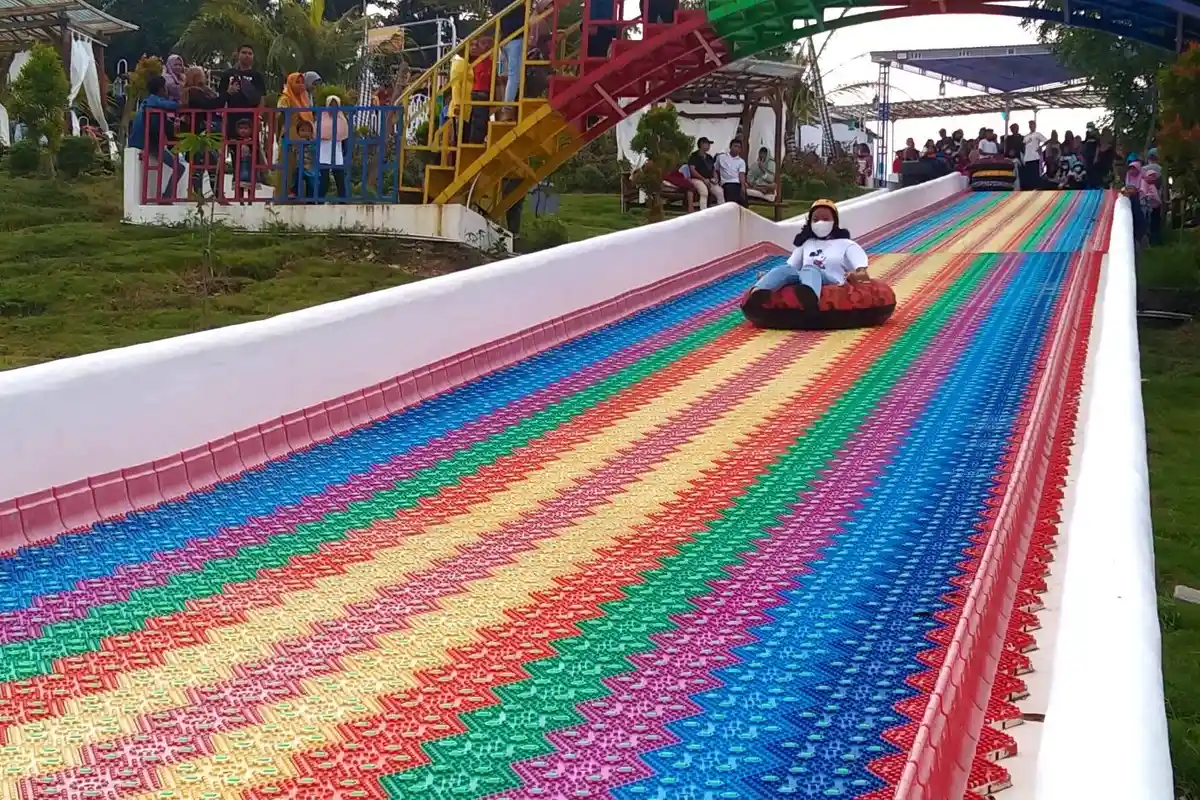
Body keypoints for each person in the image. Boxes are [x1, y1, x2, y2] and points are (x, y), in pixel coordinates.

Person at [748, 199, 870, 310]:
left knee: (810, 268)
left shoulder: (846, 244)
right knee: (783, 270)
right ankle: (758, 293)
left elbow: (863, 273)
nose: (820, 223)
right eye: (816, 220)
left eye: (826, 219)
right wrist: (769, 275)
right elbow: (790, 268)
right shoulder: (807, 244)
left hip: (832, 280)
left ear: (835, 222)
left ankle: (810, 298)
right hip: (804, 277)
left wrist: (855, 276)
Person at [129, 74, 182, 201]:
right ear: (161, 89)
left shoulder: (148, 101)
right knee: (179, 167)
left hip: (145, 142)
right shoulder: (154, 101)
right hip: (148, 143)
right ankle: (166, 197)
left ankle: (166, 196)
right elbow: (173, 106)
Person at [179, 66, 224, 196]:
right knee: (205, 163)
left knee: (208, 163)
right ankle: (204, 194)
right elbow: (208, 104)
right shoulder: (193, 92)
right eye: (202, 74)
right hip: (200, 132)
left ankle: (207, 194)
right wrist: (227, 95)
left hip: (203, 132)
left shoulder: (201, 91)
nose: (204, 76)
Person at [218, 44, 266, 130]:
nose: (247, 55)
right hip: (232, 117)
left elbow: (262, 98)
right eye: (244, 53)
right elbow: (222, 96)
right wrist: (224, 116)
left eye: (250, 53)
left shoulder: (257, 76)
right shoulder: (228, 74)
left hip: (251, 117)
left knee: (251, 143)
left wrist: (258, 116)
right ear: (238, 55)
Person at [491, 0, 525, 118]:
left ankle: (506, 107)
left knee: (509, 76)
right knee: (514, 77)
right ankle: (507, 109)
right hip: (515, 38)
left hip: (505, 40)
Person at [317, 95, 350, 200]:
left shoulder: (342, 119)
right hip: (324, 151)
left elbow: (345, 136)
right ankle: (320, 200)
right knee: (324, 179)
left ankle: (343, 200)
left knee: (339, 177)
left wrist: (345, 149)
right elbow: (317, 133)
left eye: (335, 105)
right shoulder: (322, 118)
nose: (333, 107)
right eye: (331, 105)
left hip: (337, 151)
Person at [466, 36, 494, 144]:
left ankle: (477, 141)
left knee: (480, 120)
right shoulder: (481, 60)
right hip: (480, 91)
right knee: (479, 121)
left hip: (481, 91)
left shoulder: (483, 60)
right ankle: (475, 142)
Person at [687, 137, 723, 209]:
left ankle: (722, 211)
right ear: (701, 144)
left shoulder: (709, 157)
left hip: (709, 179)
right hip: (697, 179)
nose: (709, 146)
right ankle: (703, 211)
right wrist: (703, 179)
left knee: (720, 192)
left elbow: (713, 170)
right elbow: (692, 170)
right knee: (704, 192)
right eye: (707, 144)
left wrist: (715, 178)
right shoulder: (694, 156)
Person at [714, 138, 748, 207]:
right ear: (730, 147)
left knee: (743, 199)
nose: (737, 149)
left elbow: (741, 174)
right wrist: (716, 179)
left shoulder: (741, 161)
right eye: (735, 146)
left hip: (737, 183)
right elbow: (715, 169)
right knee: (732, 199)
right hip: (727, 183)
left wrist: (743, 186)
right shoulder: (721, 157)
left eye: (739, 147)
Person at [1021, 119, 1046, 190]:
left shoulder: (1037, 134)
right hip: (1027, 158)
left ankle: (1036, 188)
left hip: (1035, 157)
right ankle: (1030, 188)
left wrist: (1041, 146)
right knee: (1029, 174)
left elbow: (1046, 141)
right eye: (1030, 125)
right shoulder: (1026, 136)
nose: (1031, 126)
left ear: (1035, 126)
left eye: (1032, 124)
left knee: (1035, 174)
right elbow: (1023, 145)